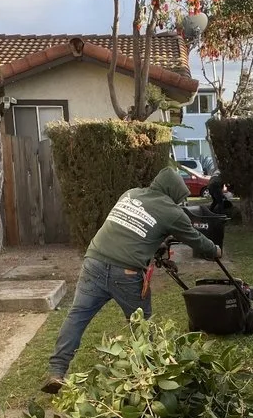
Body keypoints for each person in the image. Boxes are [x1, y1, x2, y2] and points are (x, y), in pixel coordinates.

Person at [42, 166, 220, 392]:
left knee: (77, 316)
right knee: (141, 325)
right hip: (125, 273)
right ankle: (150, 373)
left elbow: (135, 229)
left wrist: (157, 245)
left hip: (94, 261)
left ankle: (57, 371)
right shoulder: (172, 212)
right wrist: (214, 250)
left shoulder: (131, 193)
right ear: (172, 191)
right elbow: (195, 239)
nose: (180, 201)